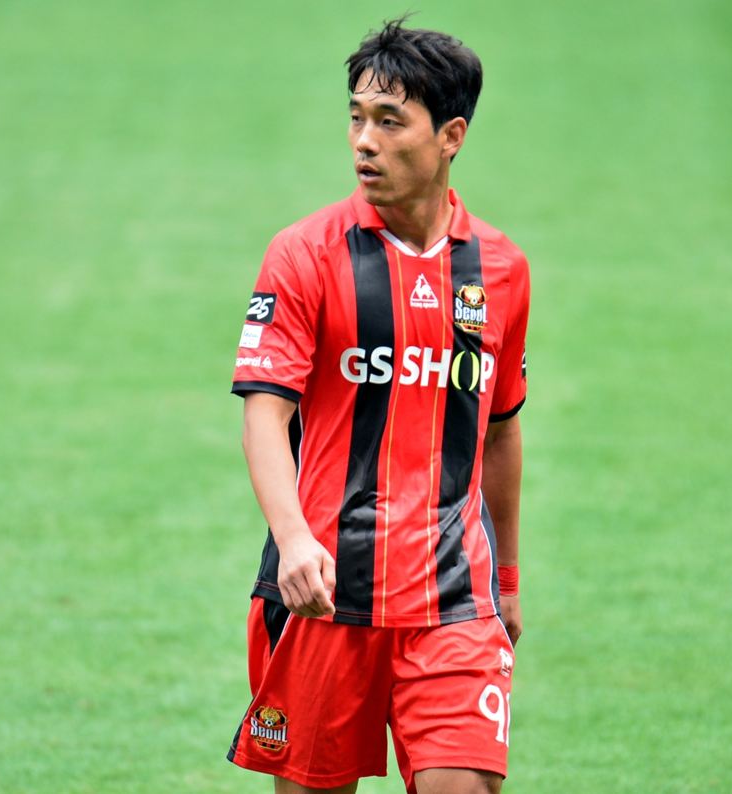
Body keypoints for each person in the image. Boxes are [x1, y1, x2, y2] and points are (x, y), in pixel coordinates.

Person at [227, 17, 530, 794]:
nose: (365, 140)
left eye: (391, 122)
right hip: (324, 593)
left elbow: (500, 431)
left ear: (451, 135)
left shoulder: (500, 269)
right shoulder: (305, 253)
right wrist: (293, 540)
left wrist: (507, 580)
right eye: (357, 118)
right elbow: (265, 414)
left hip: (453, 597)